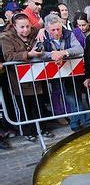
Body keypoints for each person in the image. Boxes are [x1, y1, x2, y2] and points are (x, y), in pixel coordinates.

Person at [1, 12, 54, 142]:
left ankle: (42, 128)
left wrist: (42, 29)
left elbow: (46, 26)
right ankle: (27, 131)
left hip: (36, 77)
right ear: (14, 26)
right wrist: (28, 54)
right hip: (18, 79)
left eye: (28, 27)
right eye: (22, 27)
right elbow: (9, 56)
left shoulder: (34, 33)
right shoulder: (6, 38)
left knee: (39, 104)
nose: (26, 30)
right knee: (24, 107)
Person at [41, 13, 90, 132]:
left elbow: (79, 48)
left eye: (58, 29)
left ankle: (79, 123)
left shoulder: (69, 34)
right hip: (54, 75)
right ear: (46, 29)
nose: (56, 32)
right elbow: (38, 53)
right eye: (53, 30)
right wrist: (52, 55)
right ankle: (85, 122)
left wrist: (64, 53)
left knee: (74, 97)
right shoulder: (42, 37)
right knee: (72, 98)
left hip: (72, 74)